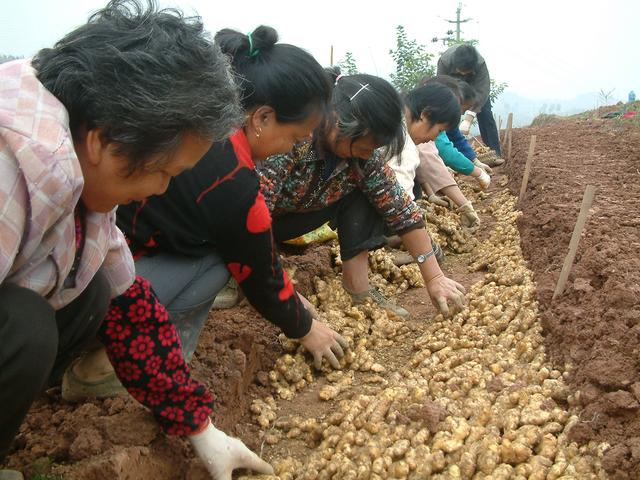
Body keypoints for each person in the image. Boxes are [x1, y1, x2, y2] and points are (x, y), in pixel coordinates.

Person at [63, 25, 343, 479]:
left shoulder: (202, 131)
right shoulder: (230, 178)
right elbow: (262, 278)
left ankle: (143, 361)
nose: (288, 150)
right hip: (88, 291)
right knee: (222, 263)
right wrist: (305, 327)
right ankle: (128, 363)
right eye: (294, 138)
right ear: (263, 117)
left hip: (112, 257)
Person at [0, 1, 260, 478]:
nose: (162, 189)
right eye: (162, 172)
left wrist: (202, 430)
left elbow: (132, 309)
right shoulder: (18, 165)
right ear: (105, 139)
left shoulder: (83, 165)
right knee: (25, 326)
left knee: (95, 294)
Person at [259, 68, 466, 319]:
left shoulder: (362, 158)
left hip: (291, 220)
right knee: (238, 239)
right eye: (366, 146)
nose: (369, 154)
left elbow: (401, 209)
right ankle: (230, 272)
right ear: (338, 123)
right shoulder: (294, 139)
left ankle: (359, 287)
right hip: (251, 224)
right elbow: (248, 214)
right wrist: (281, 291)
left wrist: (434, 277)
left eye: (374, 148)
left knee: (370, 192)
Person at [437, 44, 504, 164]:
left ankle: (494, 152)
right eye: (460, 72)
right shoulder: (444, 62)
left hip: (475, 90)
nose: (463, 75)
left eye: (465, 72)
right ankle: (451, 156)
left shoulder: (480, 64)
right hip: (452, 88)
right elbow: (441, 86)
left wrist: (469, 118)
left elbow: (482, 91)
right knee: (448, 117)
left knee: (486, 114)